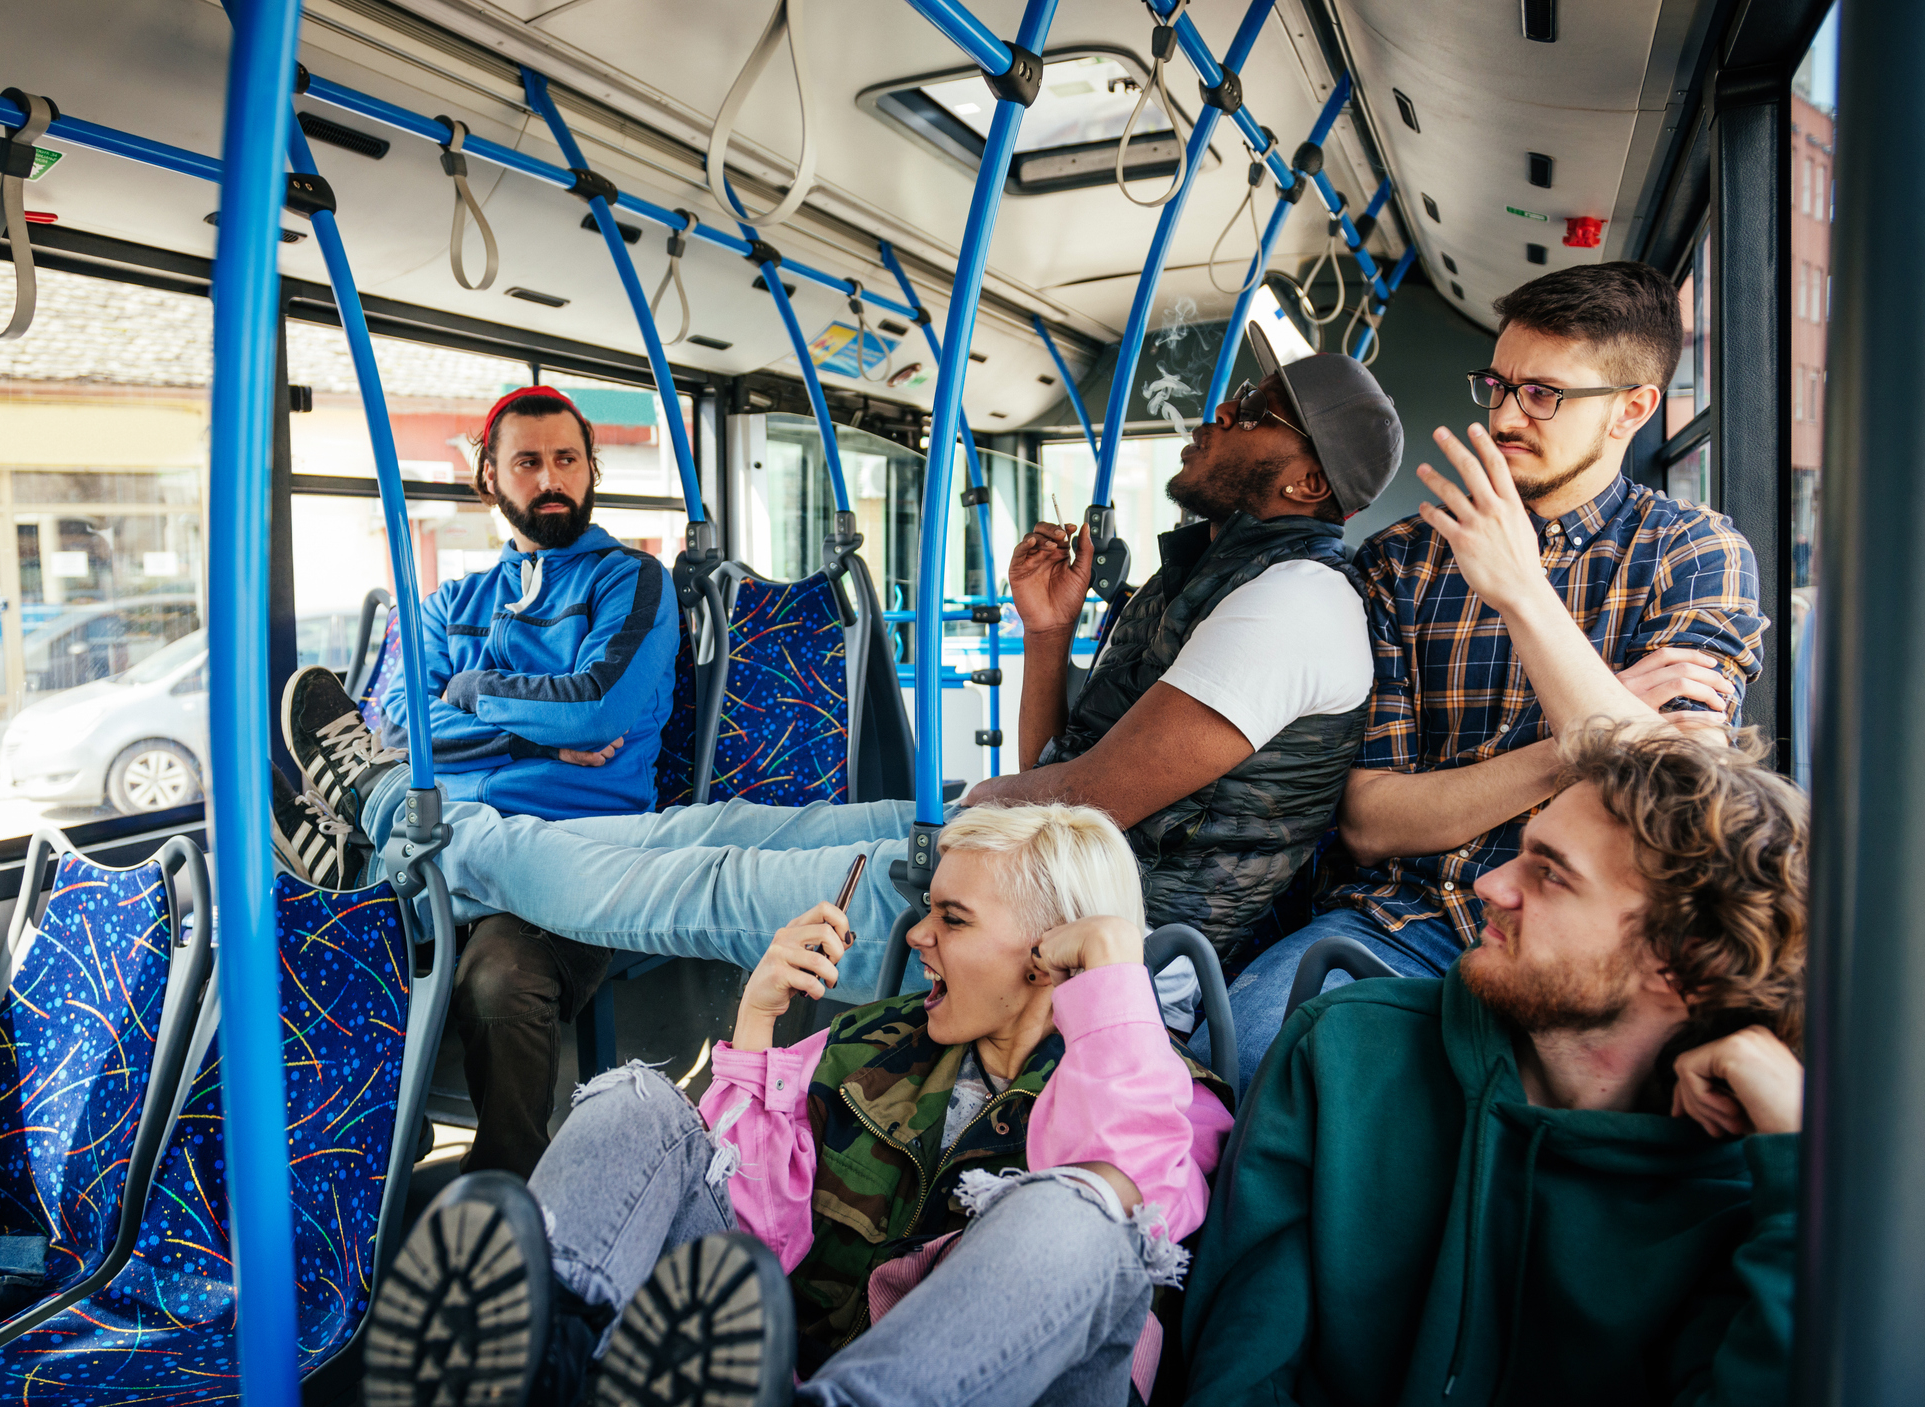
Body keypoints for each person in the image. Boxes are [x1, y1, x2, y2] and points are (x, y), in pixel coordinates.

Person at [268, 337, 1404, 1025]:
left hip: (1069, 922)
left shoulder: (1291, 602)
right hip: (1027, 857)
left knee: (703, 890)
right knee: (708, 829)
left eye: (1250, 417)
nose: (1213, 422)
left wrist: (960, 816)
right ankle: (404, 835)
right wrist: (1046, 640)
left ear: (1303, 481)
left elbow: (1093, 805)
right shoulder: (1218, 579)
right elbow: (1052, 780)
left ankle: (383, 817)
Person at [362, 804, 1232, 1407]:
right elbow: (750, 1243)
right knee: (638, 1101)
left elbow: (1136, 1202)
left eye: (951, 920)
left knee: (1078, 1214)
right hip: (790, 1362)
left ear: (1048, 953)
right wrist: (755, 1029)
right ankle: (540, 1349)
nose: (915, 936)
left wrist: (1115, 974)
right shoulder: (882, 1039)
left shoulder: (1164, 1090)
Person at [1226, 260, 1769, 1088]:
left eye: (1543, 393)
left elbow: (1674, 794)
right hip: (1399, 921)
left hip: (1596, 943)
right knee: (1244, 1061)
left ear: (1633, 408)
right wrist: (1593, 728)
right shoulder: (1400, 560)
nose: (1506, 415)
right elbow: (1373, 822)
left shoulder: (1693, 550)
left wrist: (1519, 589)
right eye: (1498, 384)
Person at [1179, 722, 1805, 1406]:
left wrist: (1806, 1176)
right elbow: (1241, 1365)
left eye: (1550, 874)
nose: (1489, 882)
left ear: (1683, 961)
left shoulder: (1743, 1177)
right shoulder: (1345, 1049)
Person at [274, 384, 679, 1180]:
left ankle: (506, 1200)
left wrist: (463, 695)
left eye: (566, 458)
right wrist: (529, 727)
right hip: (445, 835)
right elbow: (392, 727)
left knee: (499, 976)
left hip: (572, 860)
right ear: (489, 480)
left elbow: (598, 708)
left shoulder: (630, 581)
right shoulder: (450, 602)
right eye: (526, 462)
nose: (550, 476)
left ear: (591, 469)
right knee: (300, 939)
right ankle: (366, 1158)